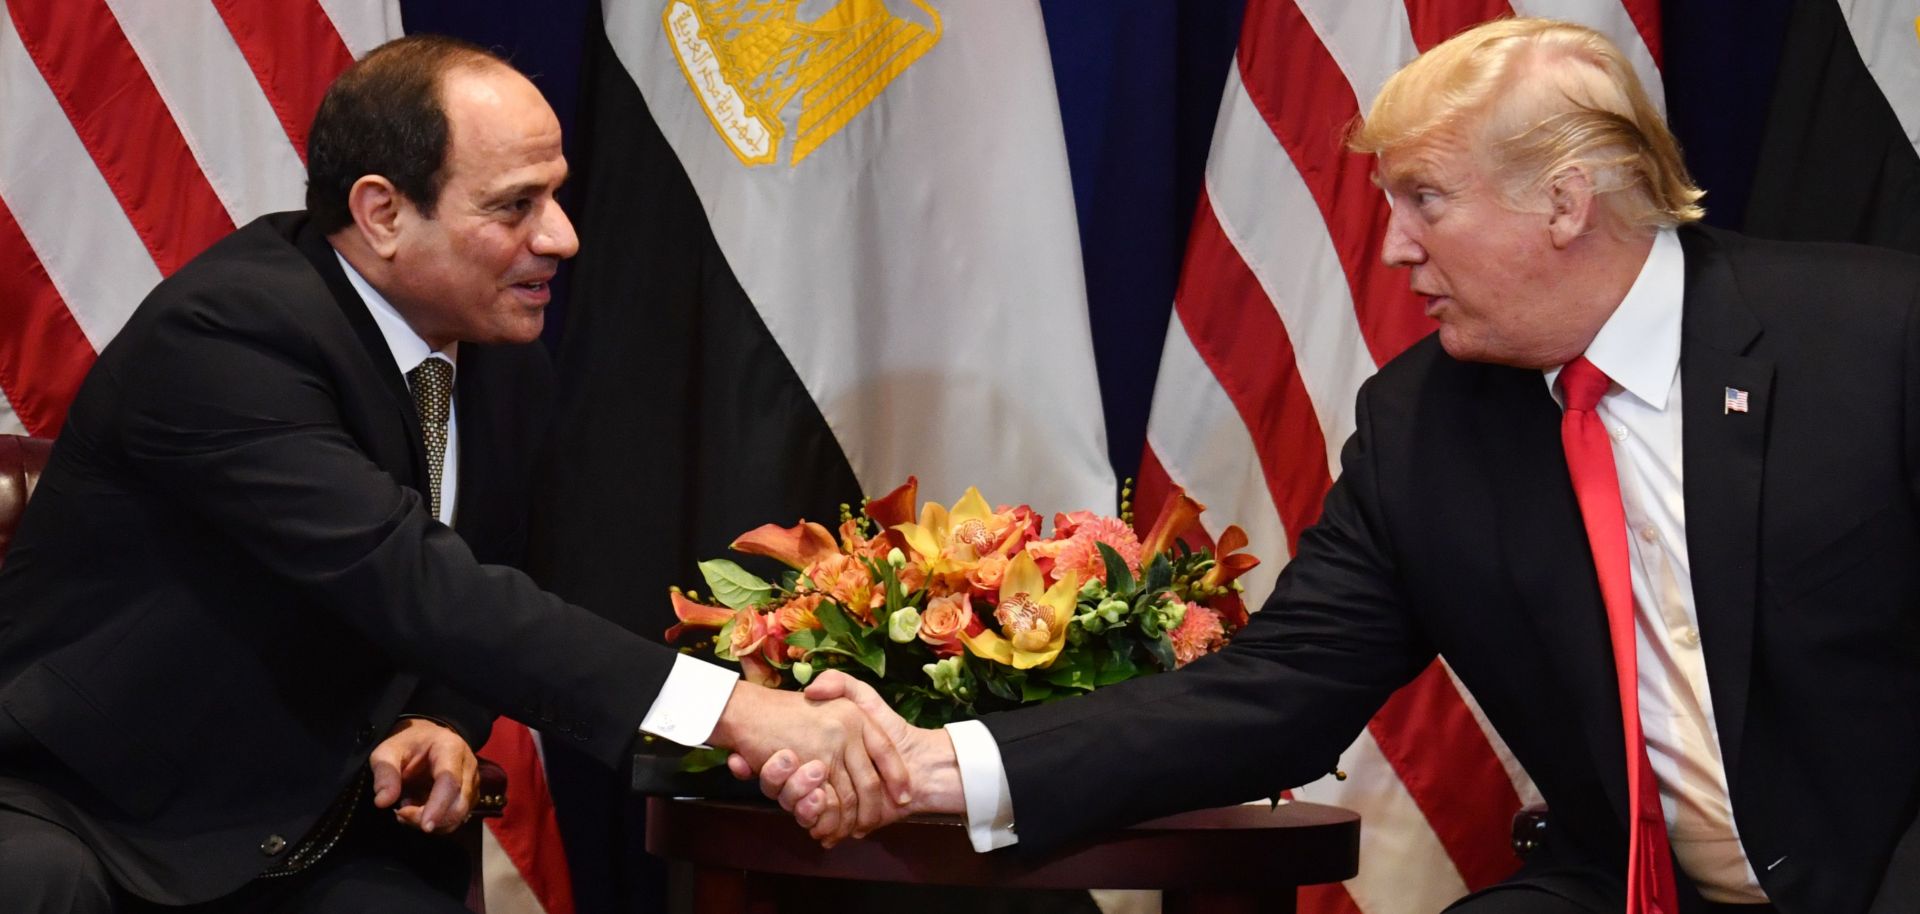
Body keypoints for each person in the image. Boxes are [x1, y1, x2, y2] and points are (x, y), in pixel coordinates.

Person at [761, 18, 1920, 914]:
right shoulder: (1425, 423)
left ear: (1566, 202)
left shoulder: (1876, 344)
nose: (1396, 247)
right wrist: (931, 763)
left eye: (1426, 201)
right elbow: (1272, 696)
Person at [0, 35, 906, 914]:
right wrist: (737, 714)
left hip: (311, 819)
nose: (562, 236)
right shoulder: (229, 337)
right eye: (514, 206)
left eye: (555, 194)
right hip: (85, 801)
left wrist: (444, 716)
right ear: (383, 212)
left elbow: (492, 563)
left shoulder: (493, 346)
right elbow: (417, 581)